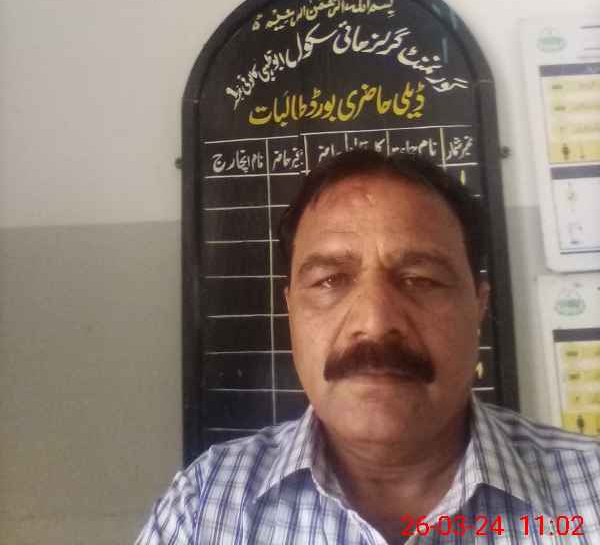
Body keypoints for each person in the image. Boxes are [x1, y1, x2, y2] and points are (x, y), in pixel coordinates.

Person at [135, 150, 599, 544]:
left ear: (478, 306)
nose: (375, 323)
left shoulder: (591, 493)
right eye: (330, 280)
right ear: (291, 311)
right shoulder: (202, 507)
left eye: (421, 279)